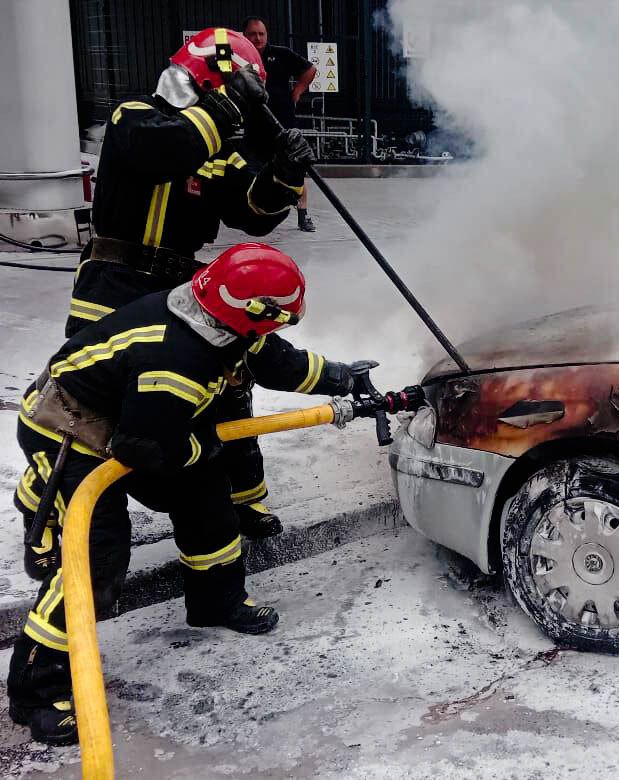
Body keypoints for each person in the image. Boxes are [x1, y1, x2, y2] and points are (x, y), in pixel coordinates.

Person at [7, 243, 368, 746]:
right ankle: (36, 691)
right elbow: (147, 450)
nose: (282, 325)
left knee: (207, 504)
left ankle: (216, 602)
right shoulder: (175, 362)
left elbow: (275, 360)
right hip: (71, 432)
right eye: (279, 317)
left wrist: (340, 377)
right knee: (97, 558)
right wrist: (209, 443)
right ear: (251, 311)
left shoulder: (220, 315)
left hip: (140, 421)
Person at [39, 28, 309, 582]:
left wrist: (284, 174)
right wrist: (229, 102)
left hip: (180, 292)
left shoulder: (215, 150)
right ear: (212, 77)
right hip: (111, 287)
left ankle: (233, 508)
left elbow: (251, 211)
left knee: (219, 396)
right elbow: (169, 149)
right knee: (94, 408)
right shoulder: (135, 118)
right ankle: (61, 520)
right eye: (239, 88)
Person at [243, 15, 318, 232]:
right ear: (244, 36)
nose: (257, 38)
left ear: (266, 35)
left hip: (283, 124)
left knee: (294, 167)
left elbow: (310, 70)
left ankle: (303, 215)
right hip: (255, 126)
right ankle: (255, 213)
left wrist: (297, 92)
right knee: (253, 169)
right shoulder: (240, 58)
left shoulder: (281, 54)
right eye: (252, 34)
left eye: (261, 34)